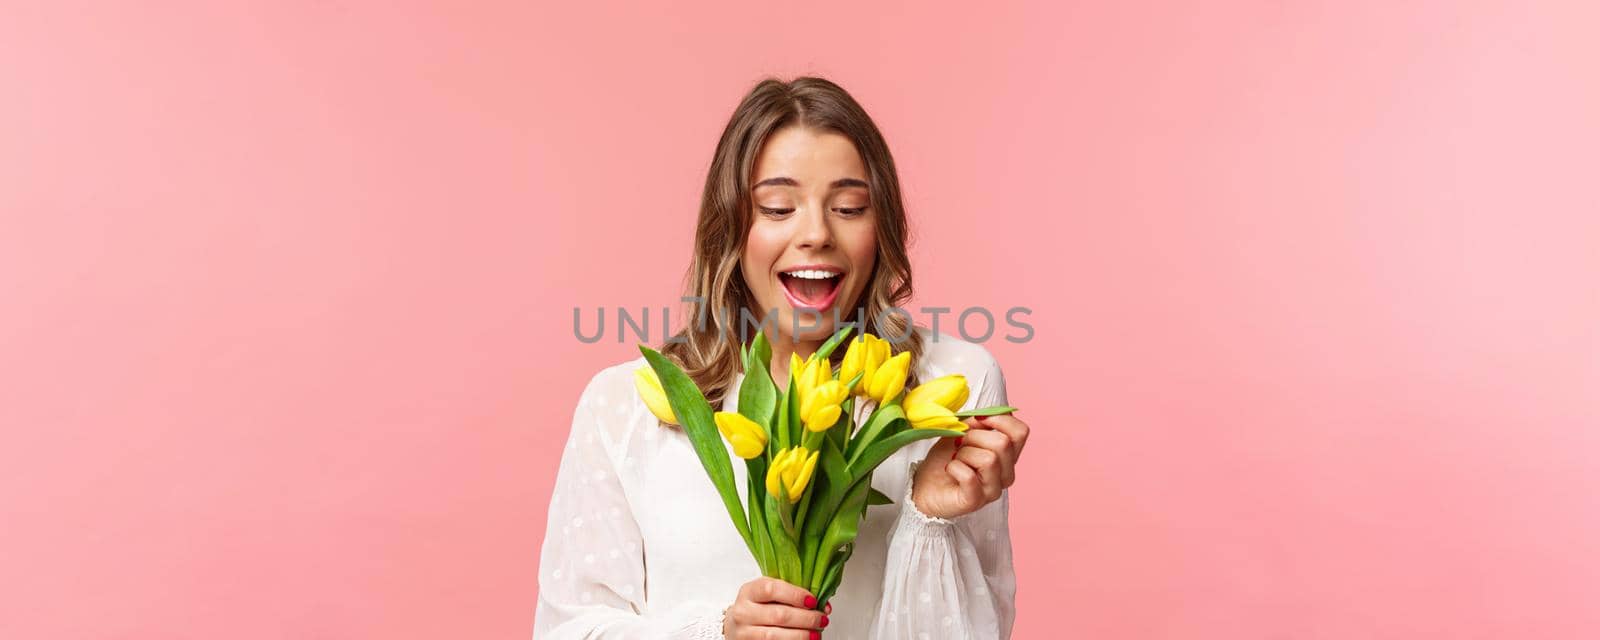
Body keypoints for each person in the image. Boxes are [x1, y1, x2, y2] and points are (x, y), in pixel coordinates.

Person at [533, 77, 1030, 639]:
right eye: (776, 207)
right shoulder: (627, 405)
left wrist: (930, 516)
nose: (816, 233)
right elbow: (567, 630)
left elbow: (983, 627)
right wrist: (719, 633)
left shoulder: (953, 384)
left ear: (881, 226)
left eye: (849, 206)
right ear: (730, 231)